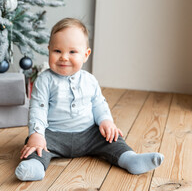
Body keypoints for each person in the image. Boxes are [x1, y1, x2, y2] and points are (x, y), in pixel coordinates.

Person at [15, 18, 164, 181]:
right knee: (35, 145)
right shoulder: (45, 80)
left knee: (112, 138)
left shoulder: (89, 80)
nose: (64, 57)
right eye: (57, 51)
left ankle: (130, 159)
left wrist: (106, 121)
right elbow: (38, 108)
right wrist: (37, 134)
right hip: (54, 135)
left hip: (89, 135)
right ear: (49, 50)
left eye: (72, 52)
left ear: (85, 55)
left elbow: (99, 103)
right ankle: (35, 167)